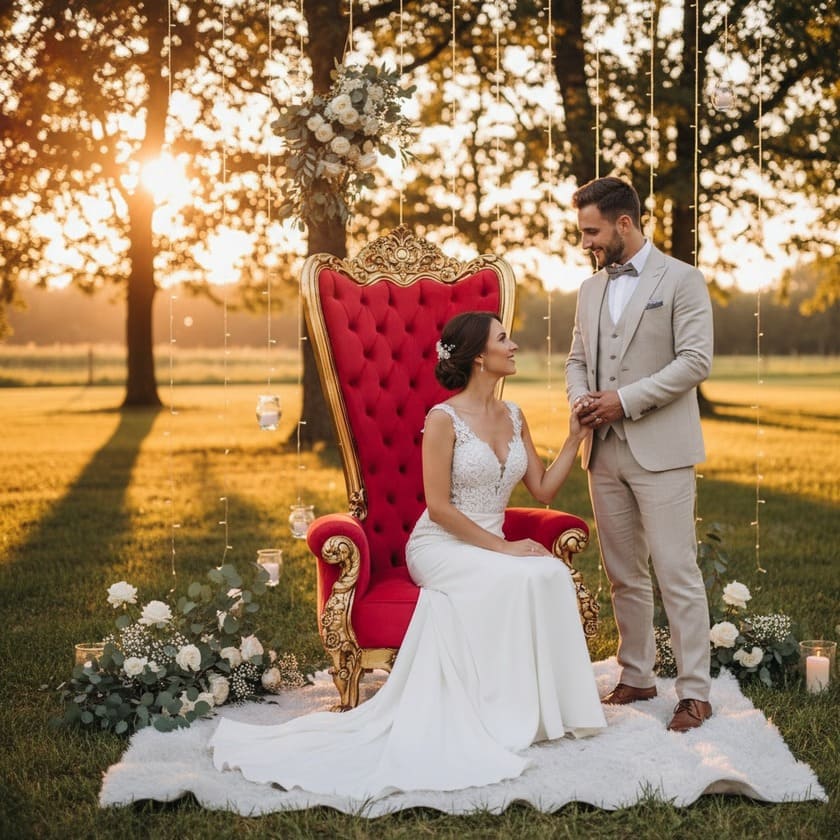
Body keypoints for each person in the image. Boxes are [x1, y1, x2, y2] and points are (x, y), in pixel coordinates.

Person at [209, 311, 606, 800]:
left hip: (487, 543)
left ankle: (555, 711)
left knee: (548, 573)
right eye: (504, 338)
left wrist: (575, 437)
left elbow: (544, 489)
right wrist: (504, 548)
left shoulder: (515, 415)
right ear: (480, 355)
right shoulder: (443, 420)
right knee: (524, 575)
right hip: (440, 546)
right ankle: (502, 713)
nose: (514, 345)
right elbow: (438, 508)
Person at [564, 175, 714, 732]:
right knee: (622, 572)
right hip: (603, 453)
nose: (586, 243)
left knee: (676, 570)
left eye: (592, 231)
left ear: (624, 223)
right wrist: (583, 400)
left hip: (662, 449)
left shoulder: (682, 279)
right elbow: (577, 359)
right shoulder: (588, 289)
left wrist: (624, 401)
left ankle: (695, 691)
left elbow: (696, 361)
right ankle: (637, 674)